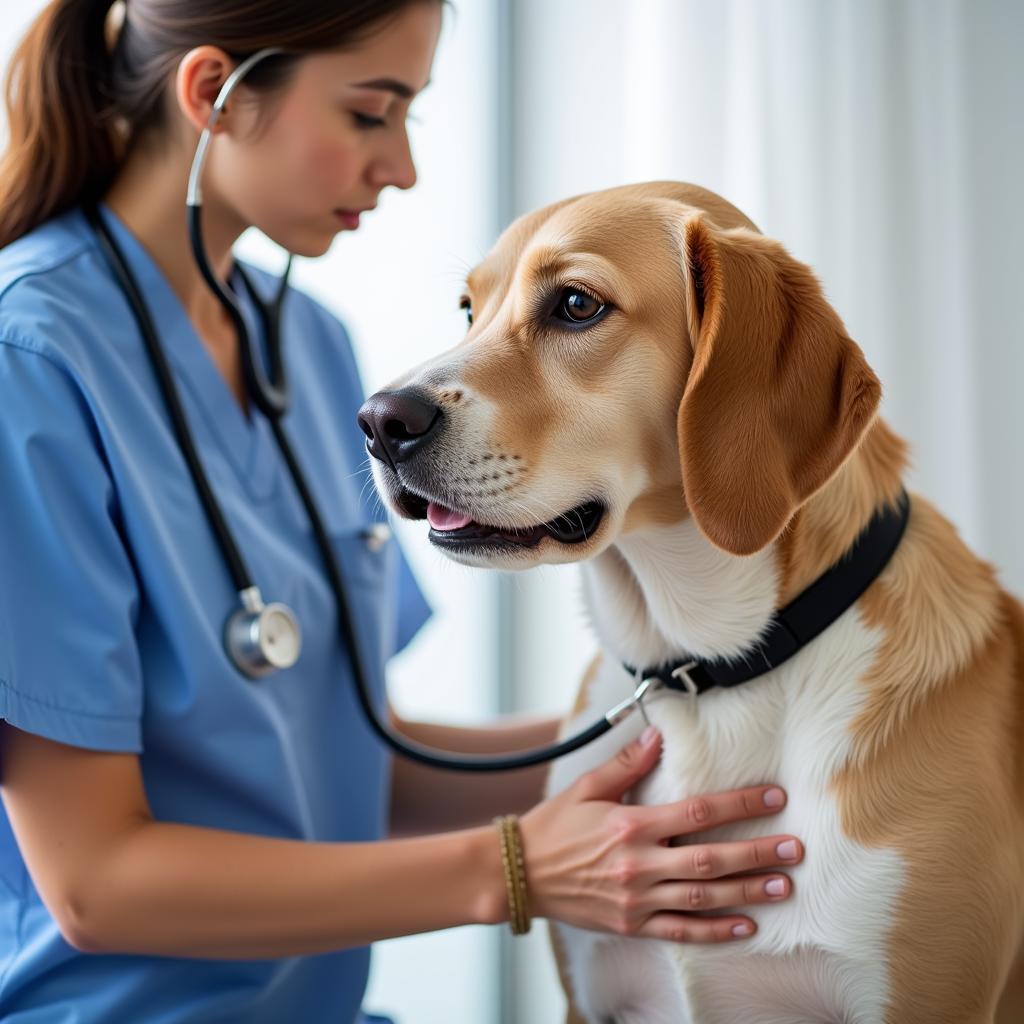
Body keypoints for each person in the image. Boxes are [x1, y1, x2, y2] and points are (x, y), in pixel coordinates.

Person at [0, 1, 806, 1020]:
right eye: (371, 114)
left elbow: (351, 765)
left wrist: (725, 711)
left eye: (411, 117)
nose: (403, 168)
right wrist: (515, 869)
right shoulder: (28, 367)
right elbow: (93, 883)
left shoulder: (309, 345)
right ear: (213, 95)